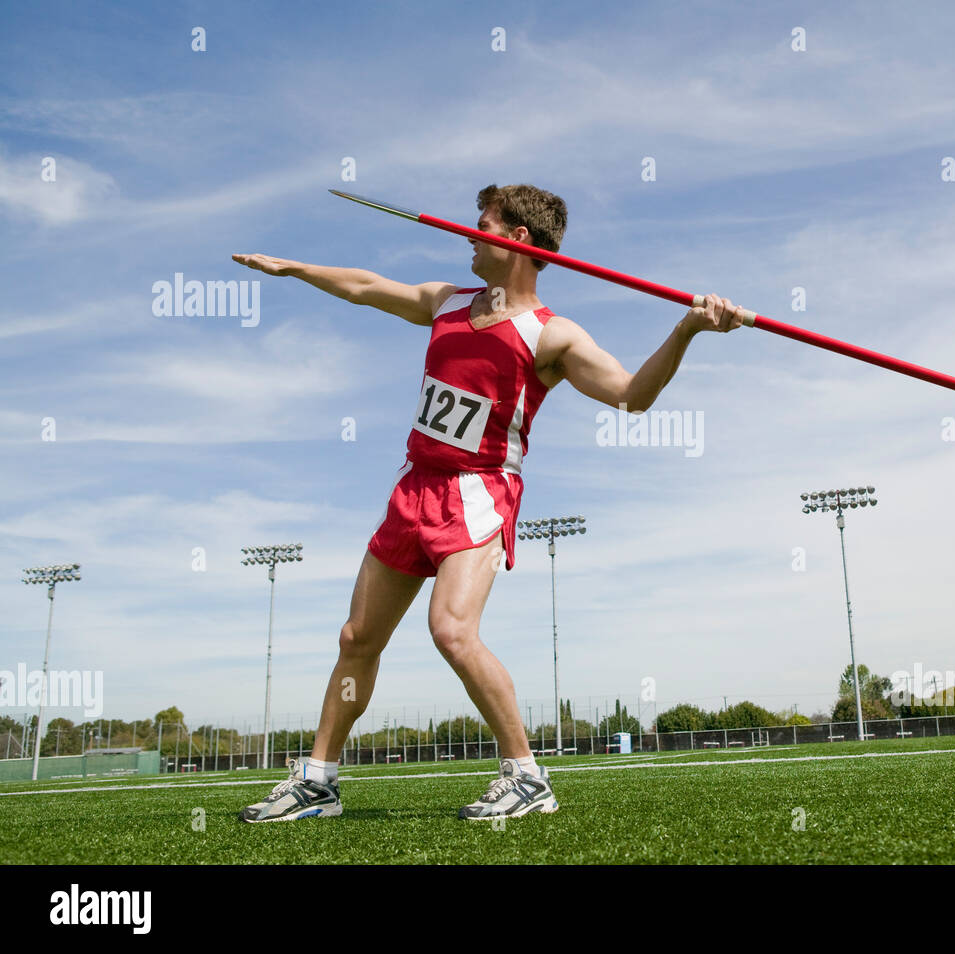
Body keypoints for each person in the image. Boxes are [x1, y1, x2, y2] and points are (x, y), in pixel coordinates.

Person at [232, 184, 745, 821]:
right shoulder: (448, 302)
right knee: (357, 637)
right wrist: (296, 268)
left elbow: (631, 396)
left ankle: (526, 776)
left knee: (450, 629)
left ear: (517, 241)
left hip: (478, 492)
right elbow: (367, 286)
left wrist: (688, 327)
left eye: (482, 226)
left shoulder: (551, 335)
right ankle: (317, 781)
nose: (468, 235)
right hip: (414, 484)